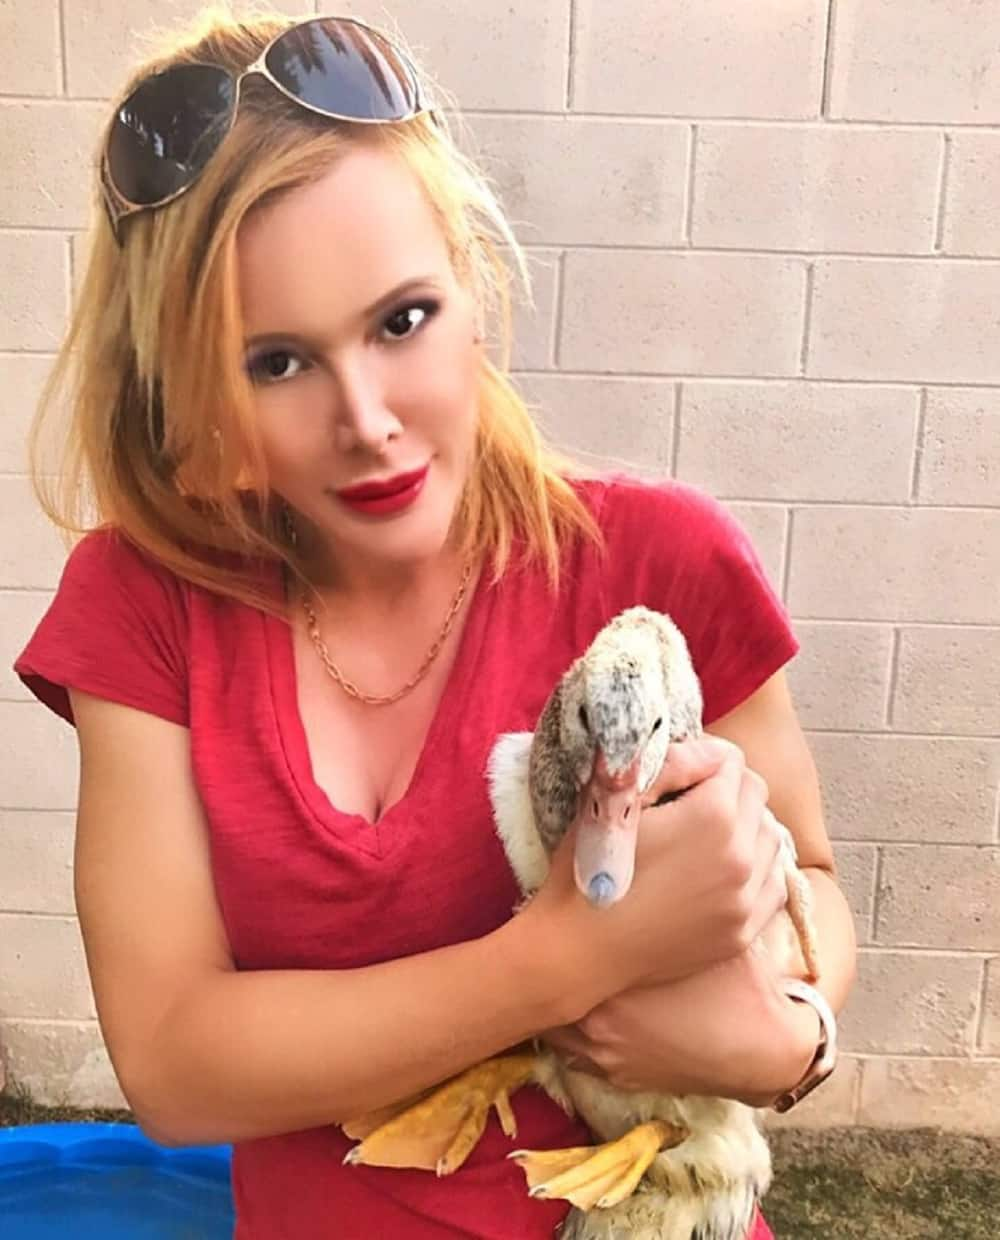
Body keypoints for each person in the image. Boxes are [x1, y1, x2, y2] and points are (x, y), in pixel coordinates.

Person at [14, 10, 857, 1239]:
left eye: (400, 320)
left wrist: (793, 1030)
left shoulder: (657, 558)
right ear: (191, 385)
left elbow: (809, 883)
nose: (366, 418)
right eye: (276, 363)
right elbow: (177, 1063)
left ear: (471, 279)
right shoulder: (145, 604)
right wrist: (564, 964)